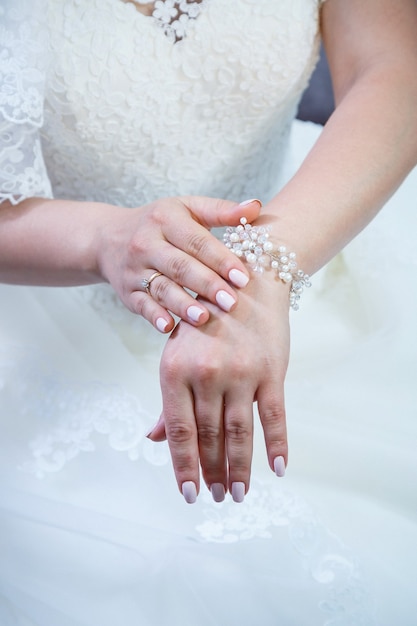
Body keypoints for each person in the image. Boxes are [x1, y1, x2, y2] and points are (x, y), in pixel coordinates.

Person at [0, 0, 416, 624]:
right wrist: (104, 240)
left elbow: (394, 66)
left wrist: (262, 276)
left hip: (316, 229)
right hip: (61, 314)